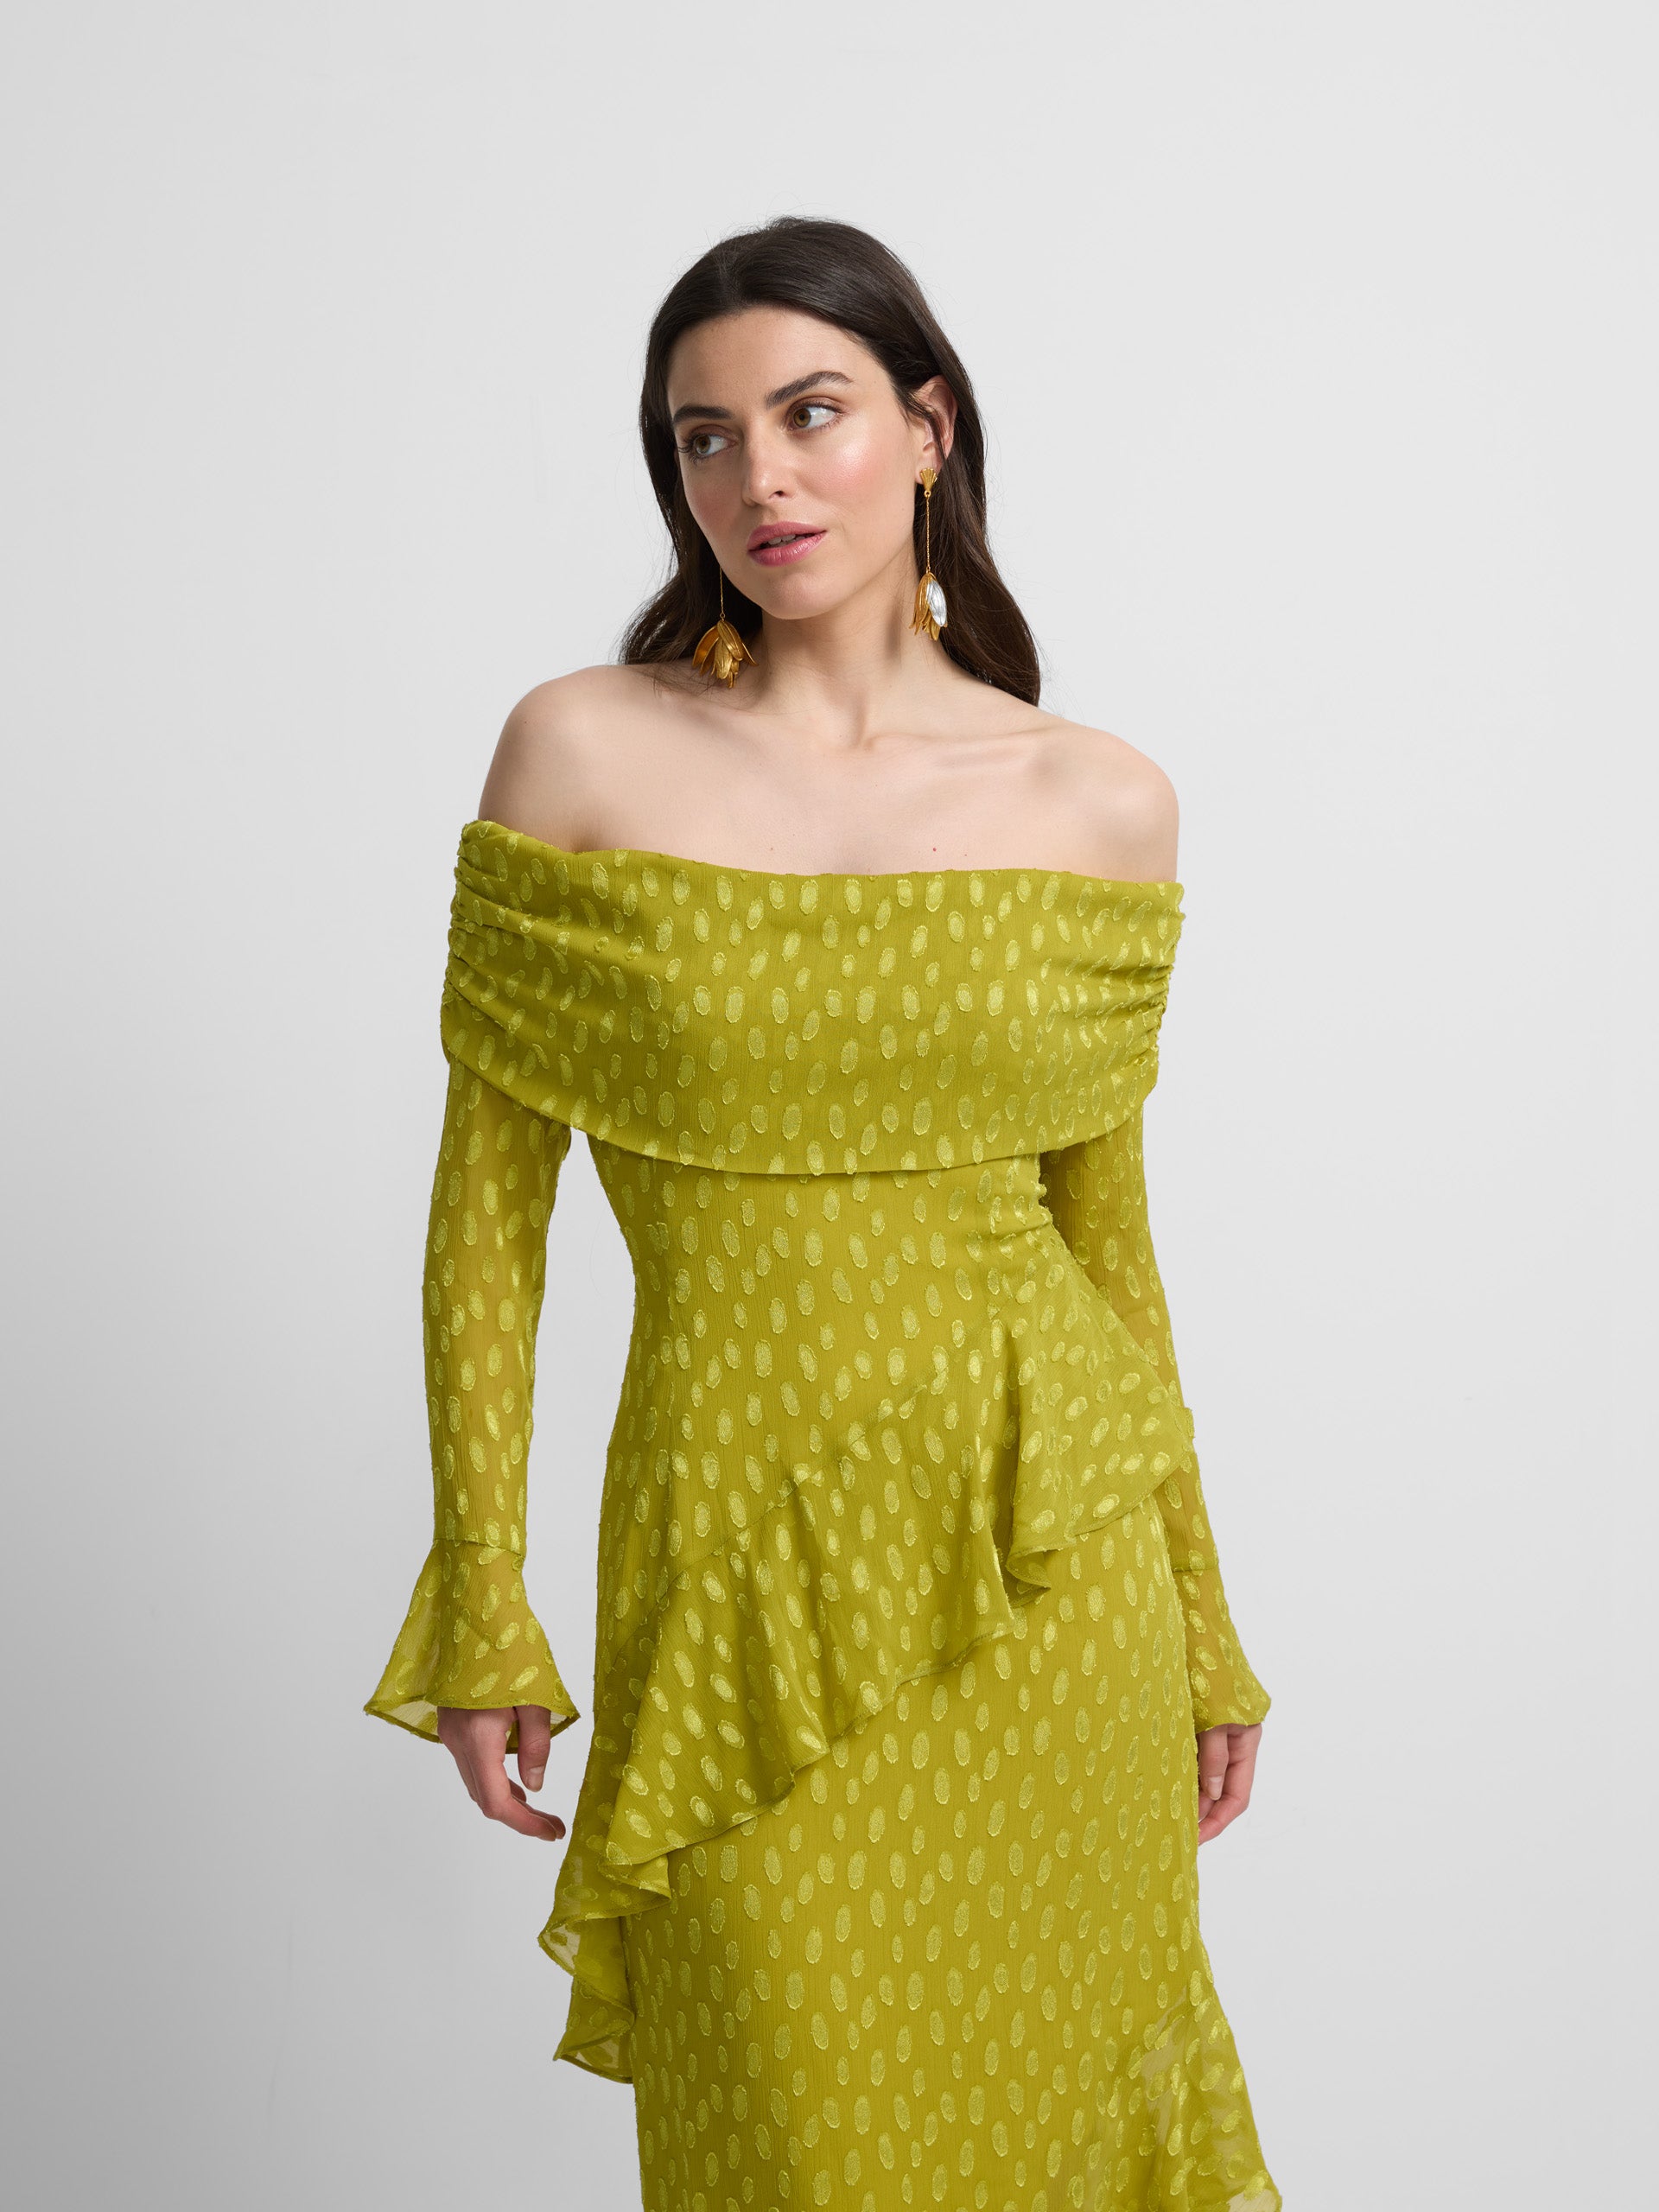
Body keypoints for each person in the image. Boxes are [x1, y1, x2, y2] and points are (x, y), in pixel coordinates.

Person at [366, 215, 1280, 2212]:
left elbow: (1110, 1249)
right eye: (702, 437)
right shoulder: (580, 751)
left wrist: (1205, 1628)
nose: (757, 477)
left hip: (1051, 1586)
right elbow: (486, 1218)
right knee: (780, 2138)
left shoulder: (1101, 800)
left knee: (1075, 2136)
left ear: (928, 429)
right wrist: (481, 1581)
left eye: (811, 414)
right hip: (732, 1577)